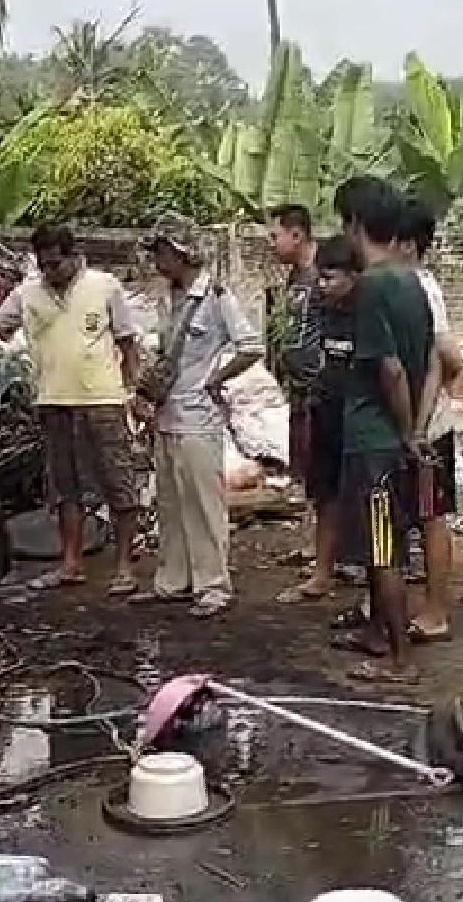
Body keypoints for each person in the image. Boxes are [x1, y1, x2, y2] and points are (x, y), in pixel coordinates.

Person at [0, 223, 145, 595]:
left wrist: (133, 391)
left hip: (103, 401)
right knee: (64, 488)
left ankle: (125, 565)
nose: (51, 272)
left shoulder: (104, 286)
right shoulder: (28, 294)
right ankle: (71, 563)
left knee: (118, 483)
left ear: (74, 256)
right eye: (44, 265)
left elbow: (127, 345)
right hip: (52, 402)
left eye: (57, 265)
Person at [337, 179, 441, 685]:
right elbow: (434, 364)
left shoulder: (373, 285)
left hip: (375, 440)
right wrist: (419, 427)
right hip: (396, 437)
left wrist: (403, 431)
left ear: (354, 224)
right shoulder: (414, 282)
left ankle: (402, 661)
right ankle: (381, 636)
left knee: (384, 552)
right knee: (390, 542)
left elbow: (392, 369)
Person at [135, 211, 262, 619]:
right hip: (168, 413)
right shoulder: (169, 299)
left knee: (204, 504)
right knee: (170, 502)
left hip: (198, 414)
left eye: (161, 251)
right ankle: (173, 579)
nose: (156, 260)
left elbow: (250, 346)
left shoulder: (216, 297)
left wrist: (215, 379)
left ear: (179, 252)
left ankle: (212, 584)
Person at [277, 234, 360, 605]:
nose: (322, 285)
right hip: (325, 410)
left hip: (359, 418)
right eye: (321, 278)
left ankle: (364, 570)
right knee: (324, 494)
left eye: (330, 278)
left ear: (354, 277)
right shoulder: (322, 313)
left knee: (361, 497)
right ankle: (322, 573)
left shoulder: (367, 316)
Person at [396, 196, 463, 642]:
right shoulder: (409, 286)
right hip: (416, 424)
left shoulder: (423, 289)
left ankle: (436, 611)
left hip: (428, 429)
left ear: (406, 244)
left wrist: (423, 418)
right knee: (411, 515)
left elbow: (450, 356)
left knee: (430, 516)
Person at [266, 203, 322, 486]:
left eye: (276, 237)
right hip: (298, 384)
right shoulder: (296, 276)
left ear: (297, 236)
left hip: (319, 387)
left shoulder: (325, 273)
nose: (272, 244)